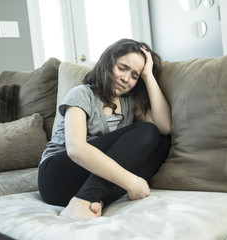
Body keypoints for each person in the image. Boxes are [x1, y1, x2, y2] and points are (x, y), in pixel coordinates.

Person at [38, 39, 172, 220]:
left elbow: (164, 127)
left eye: (134, 75)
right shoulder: (81, 94)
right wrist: (131, 182)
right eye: (122, 68)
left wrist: (148, 75)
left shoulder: (129, 102)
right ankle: (83, 200)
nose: (126, 79)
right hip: (56, 178)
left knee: (162, 142)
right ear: (108, 63)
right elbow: (75, 149)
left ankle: (93, 198)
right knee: (147, 131)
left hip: (85, 183)